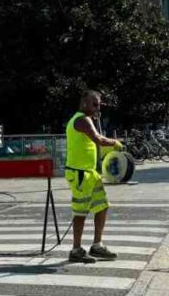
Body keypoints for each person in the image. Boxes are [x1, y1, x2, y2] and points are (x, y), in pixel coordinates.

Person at [65, 90, 123, 263]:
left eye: (99, 104)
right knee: (81, 212)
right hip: (79, 173)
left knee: (102, 206)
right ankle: (76, 250)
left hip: (90, 173)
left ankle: (97, 245)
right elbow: (97, 139)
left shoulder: (87, 119)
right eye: (94, 104)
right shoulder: (81, 120)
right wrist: (115, 143)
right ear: (84, 104)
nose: (98, 107)